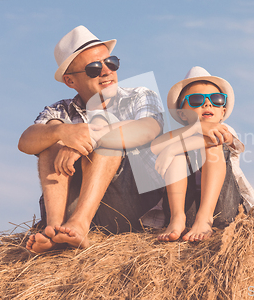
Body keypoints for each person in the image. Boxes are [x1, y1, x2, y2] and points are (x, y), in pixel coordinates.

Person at [18, 26, 164, 253]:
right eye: (94, 68)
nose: (106, 71)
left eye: (111, 63)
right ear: (70, 81)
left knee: (109, 140)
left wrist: (88, 138)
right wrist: (63, 133)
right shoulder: (60, 110)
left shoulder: (139, 95)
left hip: (135, 205)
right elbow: (26, 141)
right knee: (50, 141)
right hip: (78, 205)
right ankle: (54, 229)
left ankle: (79, 224)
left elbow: (149, 128)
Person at [151, 66, 254, 242]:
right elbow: (155, 145)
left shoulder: (225, 129)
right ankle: (177, 219)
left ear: (223, 112)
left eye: (216, 99)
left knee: (212, 144)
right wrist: (194, 129)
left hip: (223, 207)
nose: (207, 103)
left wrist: (173, 147)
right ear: (182, 113)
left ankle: (205, 219)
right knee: (177, 149)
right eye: (196, 99)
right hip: (186, 208)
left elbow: (222, 139)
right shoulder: (179, 134)